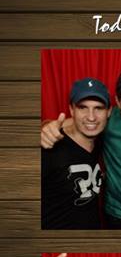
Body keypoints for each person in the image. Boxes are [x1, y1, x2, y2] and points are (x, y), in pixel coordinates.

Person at [42, 68, 121, 229]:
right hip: (118, 215)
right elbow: (79, 123)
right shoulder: (105, 122)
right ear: (117, 103)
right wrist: (47, 127)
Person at [41, 78, 109, 229]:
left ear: (108, 112)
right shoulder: (49, 146)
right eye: (82, 107)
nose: (91, 117)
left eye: (98, 108)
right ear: (71, 110)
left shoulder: (101, 140)